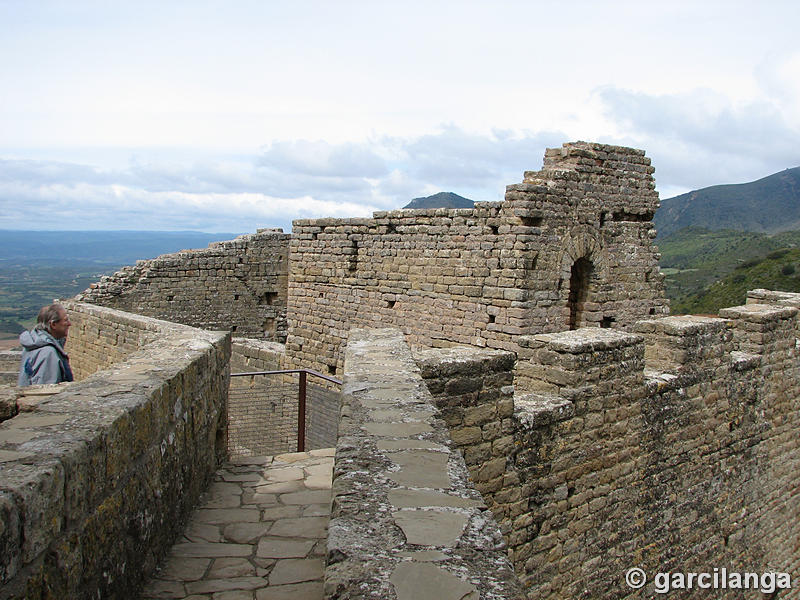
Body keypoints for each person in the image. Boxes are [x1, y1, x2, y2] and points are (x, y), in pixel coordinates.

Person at [17, 303, 74, 386]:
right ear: (53, 324)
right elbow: (46, 390)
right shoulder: (48, 353)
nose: (69, 324)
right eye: (65, 320)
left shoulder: (33, 344)